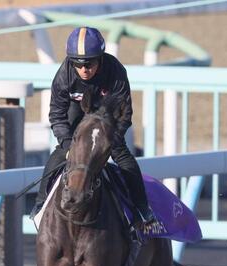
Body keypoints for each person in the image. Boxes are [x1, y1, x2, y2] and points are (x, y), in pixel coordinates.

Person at [31, 26, 156, 225]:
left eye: (89, 63)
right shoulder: (65, 74)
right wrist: (67, 143)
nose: (84, 69)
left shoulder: (115, 71)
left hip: (106, 117)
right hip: (76, 113)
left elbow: (125, 113)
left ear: (101, 58)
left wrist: (112, 140)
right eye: (77, 64)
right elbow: (56, 113)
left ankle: (142, 209)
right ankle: (40, 205)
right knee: (58, 155)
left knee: (123, 157)